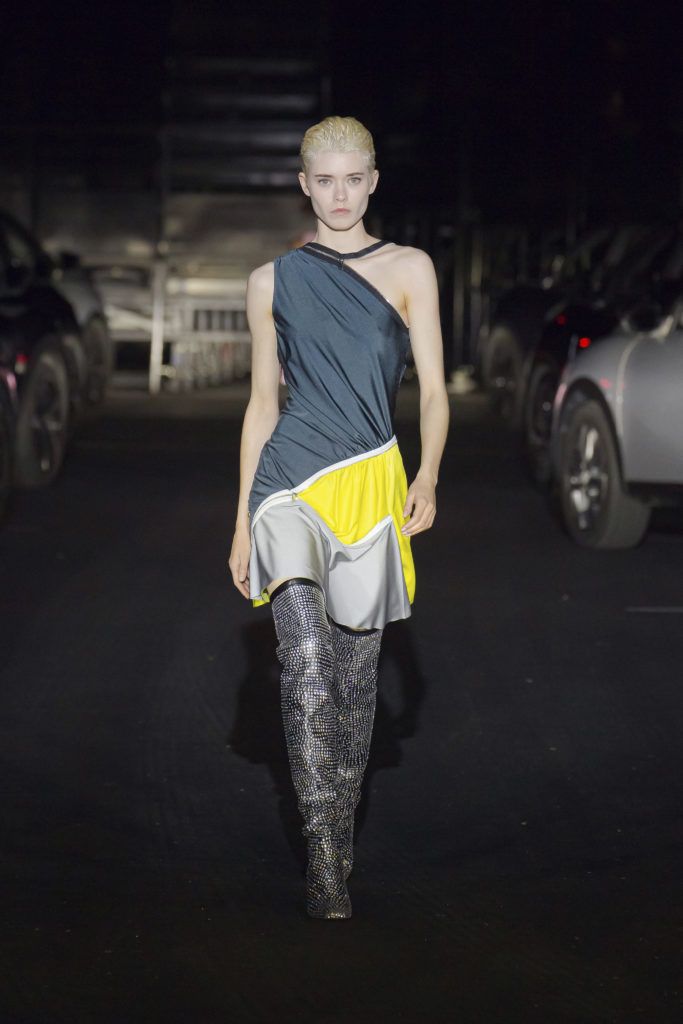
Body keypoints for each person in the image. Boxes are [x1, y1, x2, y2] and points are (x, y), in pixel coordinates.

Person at [229, 116, 449, 919]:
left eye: (353, 179)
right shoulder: (271, 281)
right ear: (303, 185)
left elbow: (433, 390)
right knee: (306, 662)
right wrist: (241, 519)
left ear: (373, 181)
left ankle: (337, 826)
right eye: (324, 180)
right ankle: (322, 854)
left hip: (372, 484)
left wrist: (427, 473)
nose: (340, 194)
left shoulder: (410, 268)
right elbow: (262, 404)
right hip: (288, 484)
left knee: (355, 685)